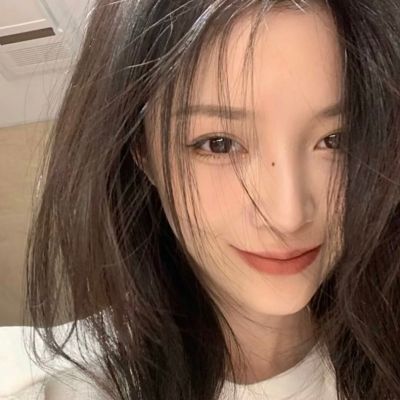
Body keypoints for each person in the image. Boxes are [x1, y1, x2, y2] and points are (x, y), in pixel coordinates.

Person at [22, 0, 400, 399]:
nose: (287, 215)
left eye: (336, 139)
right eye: (218, 144)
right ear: (141, 151)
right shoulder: (74, 390)